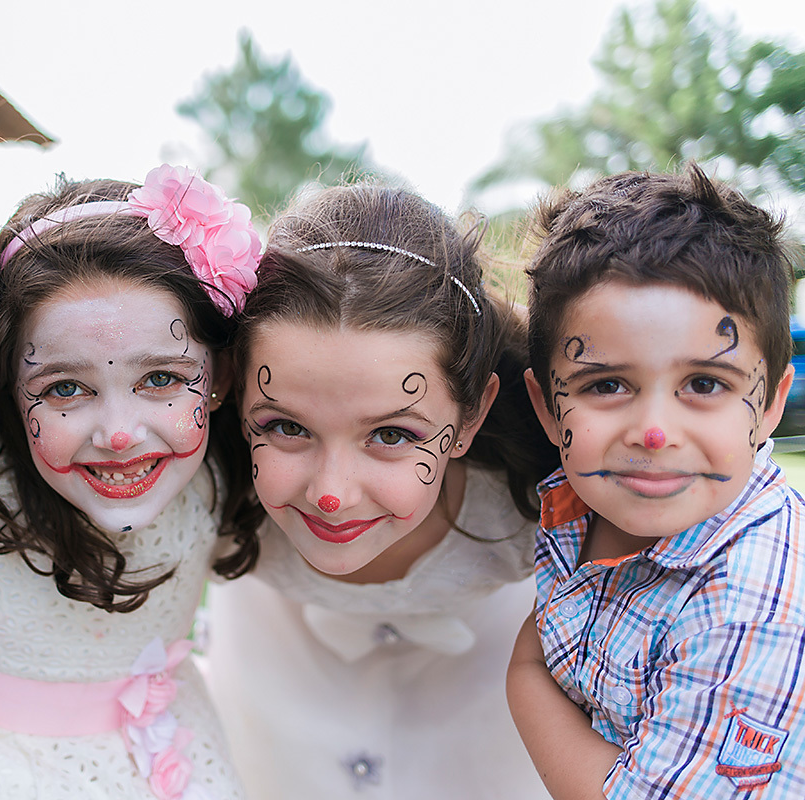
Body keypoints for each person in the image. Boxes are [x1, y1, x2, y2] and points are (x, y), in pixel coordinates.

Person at [0, 166, 263, 799]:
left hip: (166, 767)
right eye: (65, 388)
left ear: (222, 377)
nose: (119, 433)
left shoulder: (236, 471)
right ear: (4, 386)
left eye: (162, 380)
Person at [204, 183, 559, 797]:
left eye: (391, 435)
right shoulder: (205, 501)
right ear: (235, 399)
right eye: (286, 427)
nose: (331, 494)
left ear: (470, 418)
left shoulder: (546, 516)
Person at [509, 165, 805, 799]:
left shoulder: (755, 611)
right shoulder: (578, 496)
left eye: (705, 384)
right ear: (546, 407)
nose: (652, 432)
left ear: (772, 403)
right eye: (606, 385)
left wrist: (525, 675)